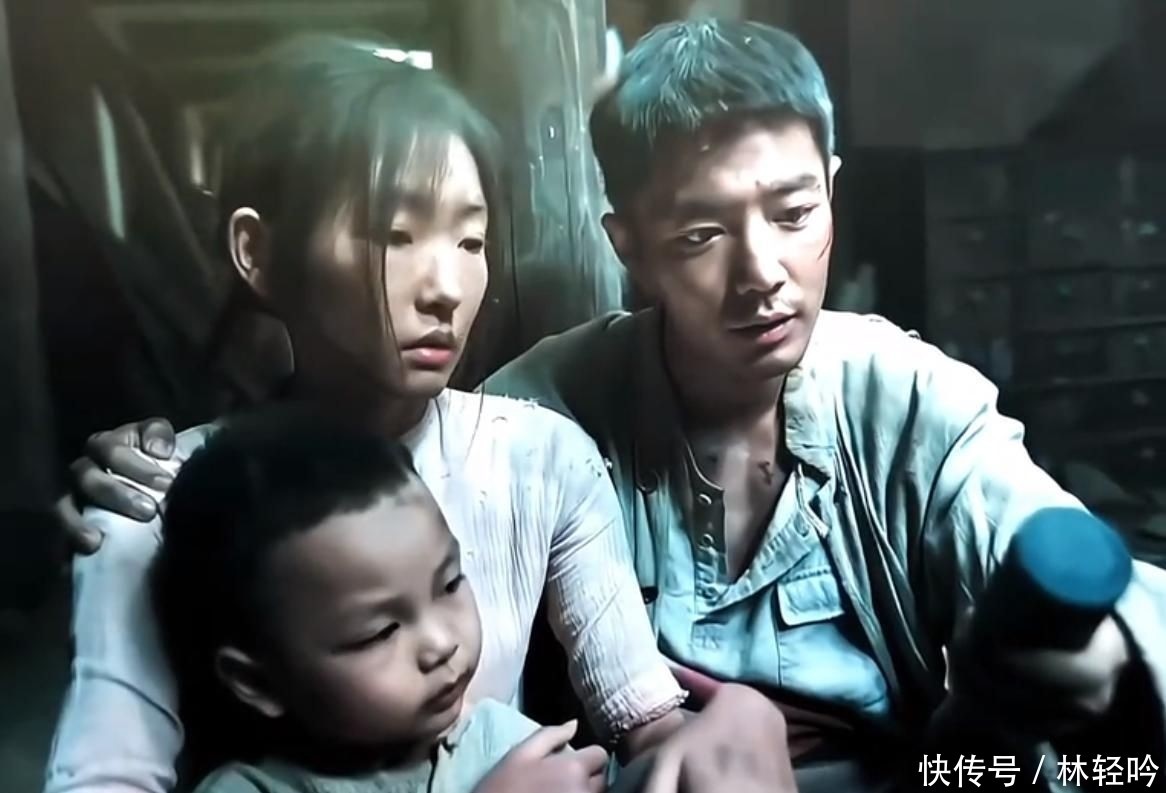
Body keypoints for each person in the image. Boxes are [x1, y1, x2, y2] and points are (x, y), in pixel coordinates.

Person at [44, 33, 796, 793]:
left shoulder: (538, 458)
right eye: (395, 235)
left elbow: (644, 722)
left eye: (470, 239)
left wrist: (726, 726)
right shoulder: (151, 499)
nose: (446, 287)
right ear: (258, 252)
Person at [153, 406, 612, 793]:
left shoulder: (503, 741)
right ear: (258, 681)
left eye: (450, 584)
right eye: (381, 631)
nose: (441, 644)